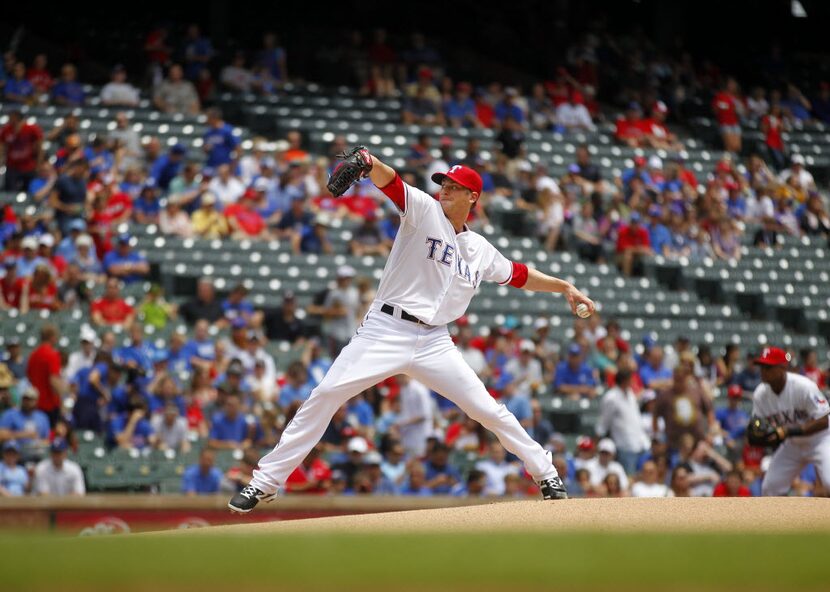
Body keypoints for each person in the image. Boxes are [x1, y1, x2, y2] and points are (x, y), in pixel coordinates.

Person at [228, 149, 595, 512]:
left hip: (435, 341)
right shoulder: (424, 211)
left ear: (472, 197)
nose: (444, 190)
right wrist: (370, 163)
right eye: (443, 184)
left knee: (487, 410)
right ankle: (265, 482)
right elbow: (392, 182)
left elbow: (519, 275)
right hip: (386, 328)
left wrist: (564, 286)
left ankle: (545, 472)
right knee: (325, 393)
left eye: (453, 186)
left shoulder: (480, 249)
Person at [750, 347, 830, 496]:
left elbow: (824, 421)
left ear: (782, 367)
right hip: (792, 444)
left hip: (821, 440)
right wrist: (758, 432)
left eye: (768, 367)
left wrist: (789, 431)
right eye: (761, 366)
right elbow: (757, 423)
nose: (763, 371)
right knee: (769, 487)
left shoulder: (803, 386)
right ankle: (778, 519)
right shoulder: (760, 394)